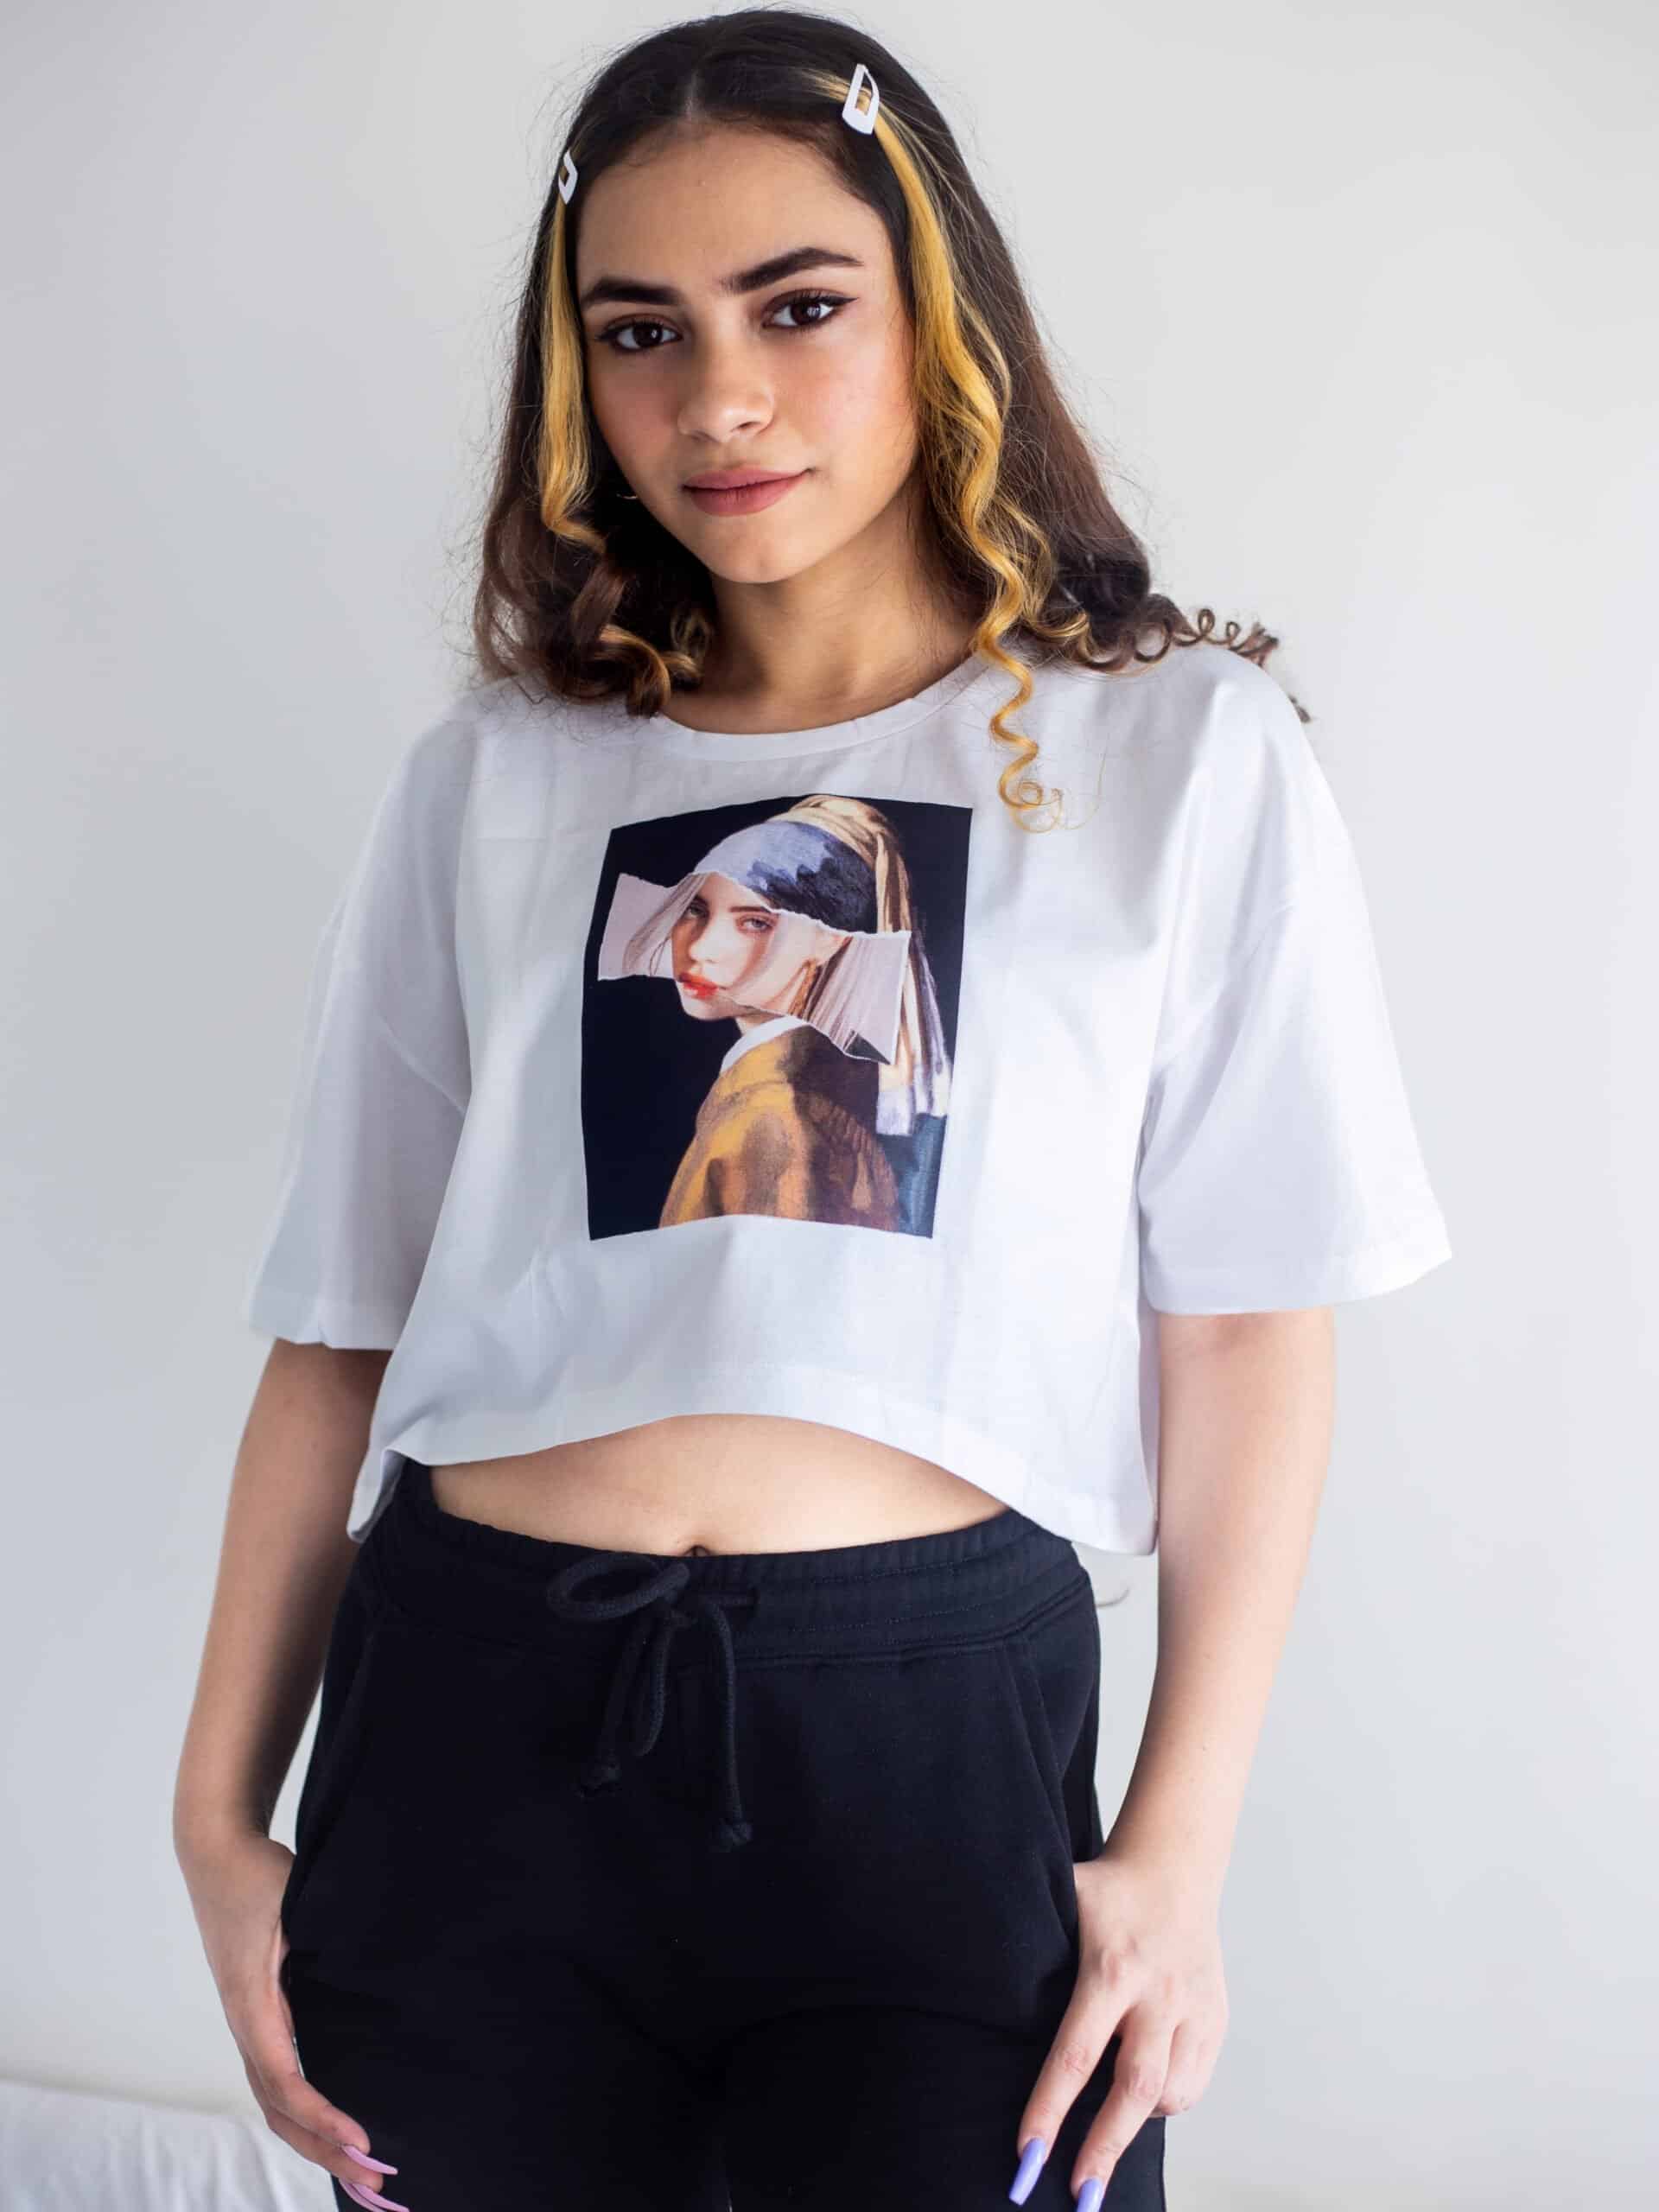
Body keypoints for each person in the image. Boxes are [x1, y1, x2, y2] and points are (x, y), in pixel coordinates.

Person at [173, 14, 1453, 2211]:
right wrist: (216, 1815)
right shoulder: (497, 776)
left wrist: (1177, 1842)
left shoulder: (1178, 753)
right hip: (473, 1720)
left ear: (937, 310)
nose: (720, 399)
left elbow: (1249, 1320)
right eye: (640, 331)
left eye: (797, 305)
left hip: (929, 1733)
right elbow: (337, 1317)